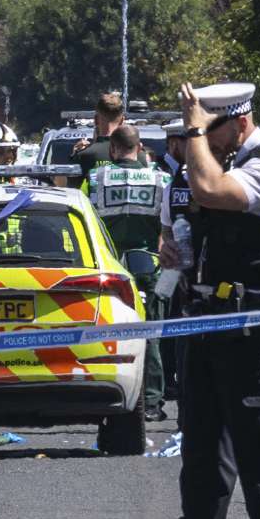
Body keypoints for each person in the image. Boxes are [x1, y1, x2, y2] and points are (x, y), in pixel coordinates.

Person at [139, 82, 260, 519]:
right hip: (207, 317)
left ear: (240, 122)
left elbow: (211, 190)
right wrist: (174, 253)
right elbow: (184, 222)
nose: (199, 143)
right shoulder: (208, 166)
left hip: (259, 323)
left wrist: (193, 131)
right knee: (201, 444)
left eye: (209, 132)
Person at [81, 124, 171, 422]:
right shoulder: (161, 178)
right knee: (152, 334)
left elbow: (84, 216)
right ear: (140, 146)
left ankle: (105, 391)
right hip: (149, 265)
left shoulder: (96, 178)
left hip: (110, 267)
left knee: (107, 332)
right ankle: (153, 401)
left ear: (113, 149)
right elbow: (169, 226)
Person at [158, 118, 192, 400]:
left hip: (194, 277)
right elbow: (167, 229)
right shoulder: (175, 182)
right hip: (190, 278)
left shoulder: (177, 182)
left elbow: (167, 230)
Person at [68, 92, 125, 187]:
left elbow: (72, 191)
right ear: (122, 121)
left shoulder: (84, 156)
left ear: (95, 120)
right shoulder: (139, 156)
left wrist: (74, 155)